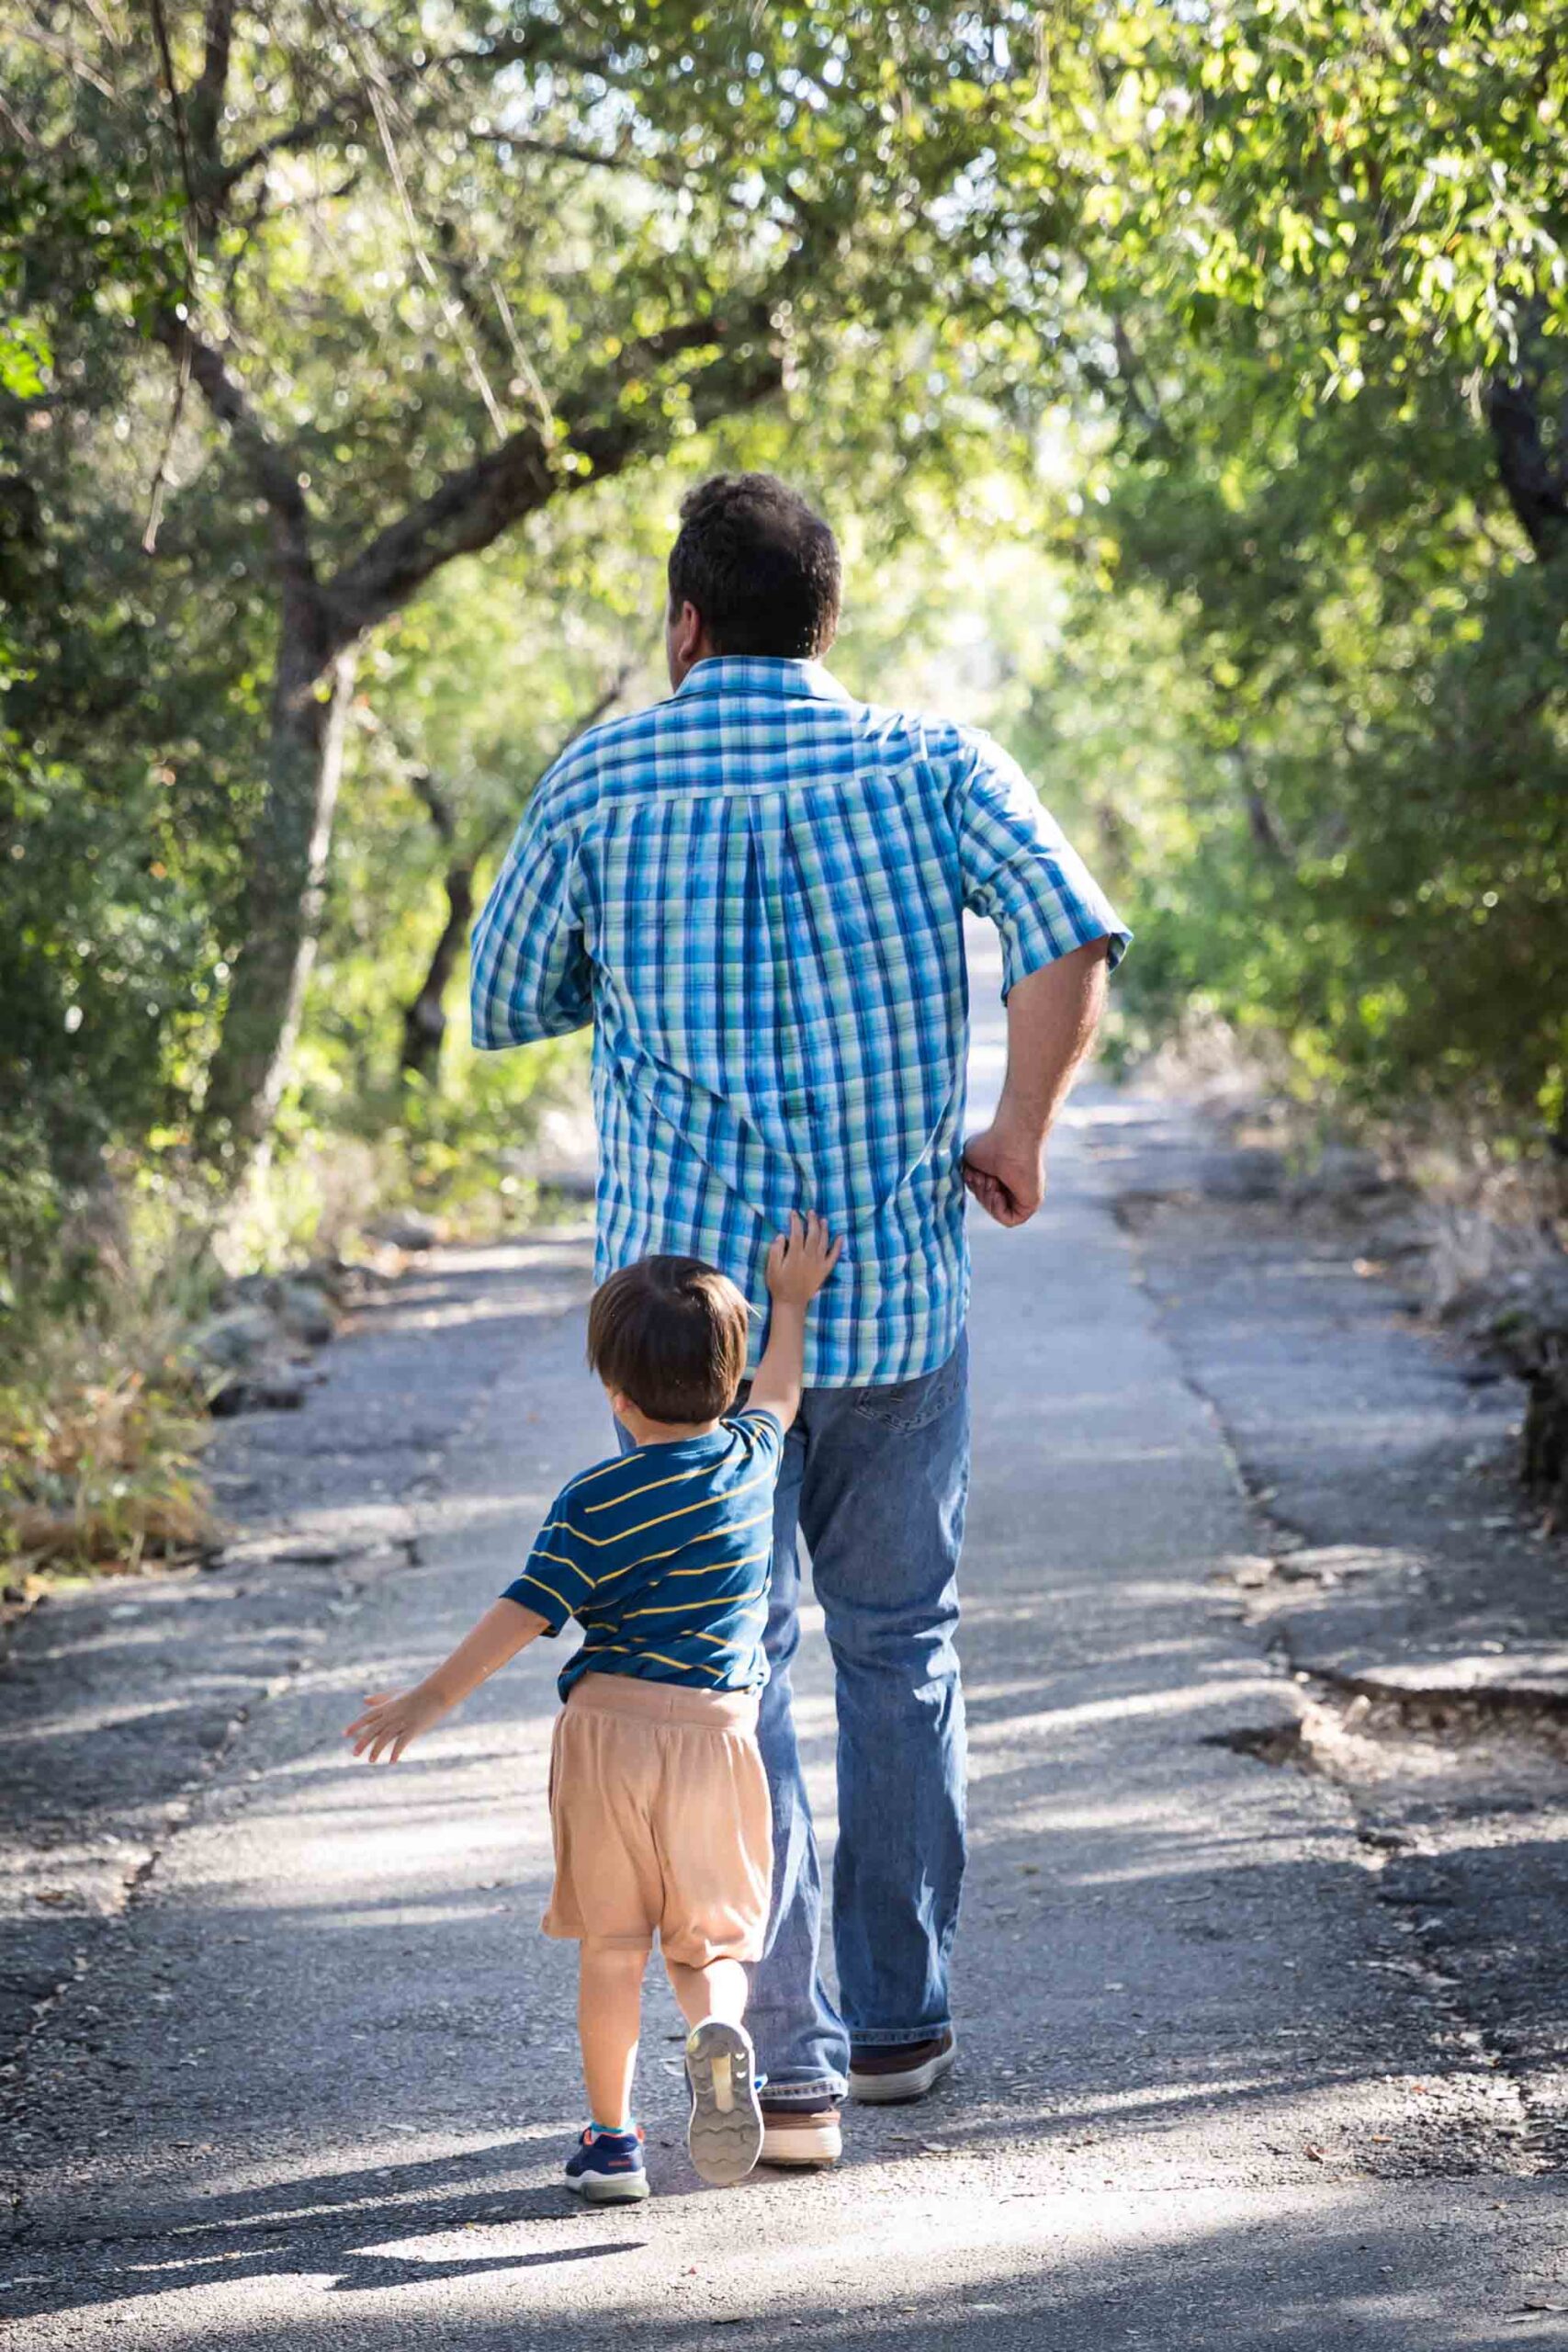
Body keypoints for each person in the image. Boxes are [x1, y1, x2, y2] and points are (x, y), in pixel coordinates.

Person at [470, 472, 1130, 2167]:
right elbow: (1067, 936)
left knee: (717, 1669)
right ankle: (898, 2022)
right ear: (825, 619)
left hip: (684, 1349)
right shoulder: (929, 764)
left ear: (685, 621)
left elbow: (508, 997)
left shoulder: (602, 774)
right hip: (893, 1296)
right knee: (900, 1649)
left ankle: (786, 2060)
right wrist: (1017, 1135)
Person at [345, 1214, 841, 2201]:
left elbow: (522, 1613)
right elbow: (781, 1394)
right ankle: (721, 2037)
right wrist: (790, 1300)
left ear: (617, 1397)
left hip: (610, 1734)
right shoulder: (752, 1460)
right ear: (726, 1380)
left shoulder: (593, 1499)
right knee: (712, 1942)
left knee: (615, 1944)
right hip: (718, 1736)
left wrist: (426, 1701)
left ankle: (613, 2143)